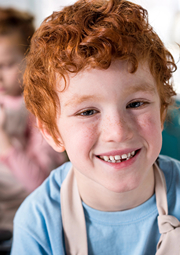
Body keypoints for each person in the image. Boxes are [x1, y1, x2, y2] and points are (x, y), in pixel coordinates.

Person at [10, 0, 180, 254]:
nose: (118, 132)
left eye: (136, 104)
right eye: (88, 111)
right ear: (52, 132)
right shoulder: (39, 221)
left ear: (162, 109)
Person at [0, 7, 68, 232]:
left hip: (24, 226)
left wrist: (4, 140)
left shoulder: (41, 111)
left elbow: (40, 186)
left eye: (6, 65)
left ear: (30, 61)